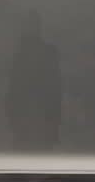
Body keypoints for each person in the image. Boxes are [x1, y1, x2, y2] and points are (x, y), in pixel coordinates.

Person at [6, 10, 62, 151]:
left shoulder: (43, 53)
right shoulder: (24, 53)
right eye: (29, 25)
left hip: (38, 117)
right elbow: (14, 88)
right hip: (30, 118)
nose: (30, 29)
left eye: (31, 25)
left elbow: (55, 89)